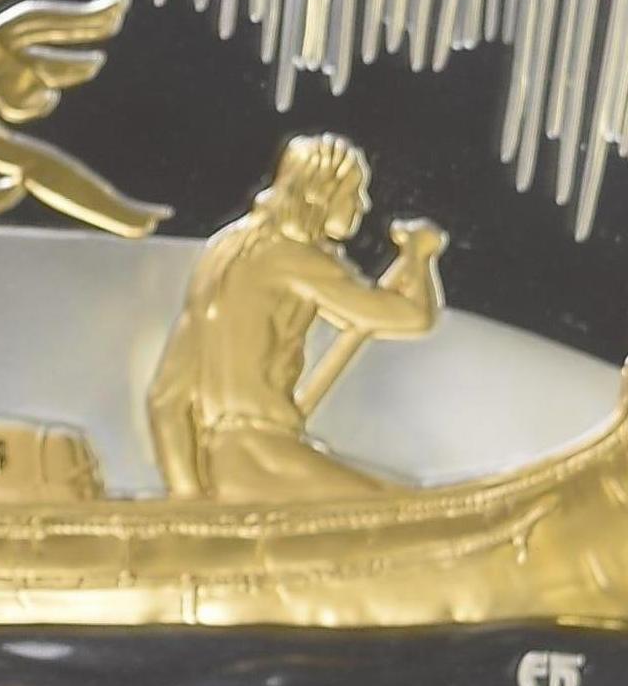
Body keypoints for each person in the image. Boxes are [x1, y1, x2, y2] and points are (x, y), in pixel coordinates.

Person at [147, 133, 444, 503]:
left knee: (396, 501)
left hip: (226, 461)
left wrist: (188, 493)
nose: (363, 204)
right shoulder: (293, 258)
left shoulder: (223, 253)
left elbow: (164, 399)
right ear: (320, 193)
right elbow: (413, 317)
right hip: (263, 458)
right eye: (354, 192)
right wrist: (419, 255)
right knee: (406, 508)